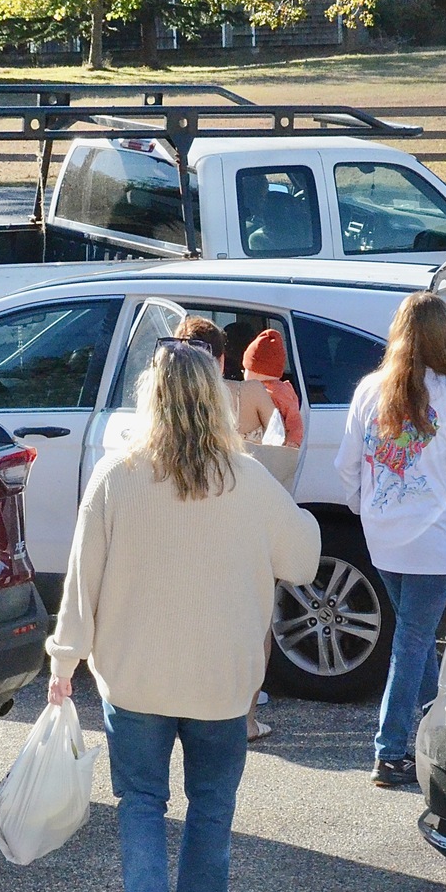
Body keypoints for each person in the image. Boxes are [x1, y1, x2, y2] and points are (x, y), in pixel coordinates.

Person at [45, 337, 320, 892]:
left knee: (141, 800)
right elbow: (303, 560)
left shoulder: (116, 475)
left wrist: (63, 664)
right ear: (217, 401)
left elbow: (81, 581)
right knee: (211, 804)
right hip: (223, 682)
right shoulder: (248, 478)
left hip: (133, 676)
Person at [333, 292, 446, 788]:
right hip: (433, 537)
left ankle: (436, 723)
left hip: (382, 534)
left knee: (416, 633)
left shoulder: (369, 388)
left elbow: (347, 465)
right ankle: (389, 751)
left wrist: (364, 508)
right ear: (445, 335)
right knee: (411, 639)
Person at [176, 316, 283, 740]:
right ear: (222, 360)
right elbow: (280, 445)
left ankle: (193, 709)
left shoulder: (166, 403)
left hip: (187, 521)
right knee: (254, 616)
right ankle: (248, 719)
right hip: (241, 514)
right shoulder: (249, 393)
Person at [242, 329, 304, 447]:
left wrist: (292, 443)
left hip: (274, 450)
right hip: (270, 449)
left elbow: (295, 422)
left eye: (245, 369)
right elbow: (295, 421)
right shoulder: (284, 391)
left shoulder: (272, 393)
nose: (244, 373)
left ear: (255, 371)